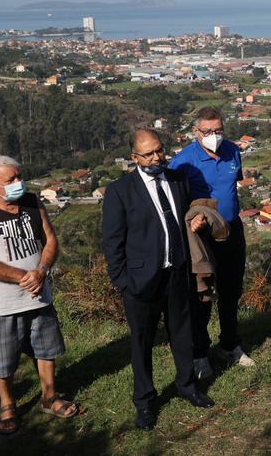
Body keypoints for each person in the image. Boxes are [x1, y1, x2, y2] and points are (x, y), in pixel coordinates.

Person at [101, 128, 215, 431]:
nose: (157, 157)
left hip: (176, 273)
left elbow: (188, 213)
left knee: (182, 333)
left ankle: (187, 385)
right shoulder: (120, 191)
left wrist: (197, 217)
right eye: (149, 153)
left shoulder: (177, 180)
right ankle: (145, 401)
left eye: (160, 150)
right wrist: (123, 281)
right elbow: (112, 242)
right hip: (140, 282)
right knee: (142, 343)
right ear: (134, 157)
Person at [0, 155, 80, 435]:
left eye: (18, 176)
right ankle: (7, 404)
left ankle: (49, 397)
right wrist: (22, 278)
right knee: (2, 359)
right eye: (10, 180)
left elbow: (50, 239)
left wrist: (41, 270)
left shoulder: (31, 203)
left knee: (46, 349)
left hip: (38, 295)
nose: (18, 183)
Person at [169, 106, 254, 380]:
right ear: (196, 132)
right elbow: (174, 203)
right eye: (208, 131)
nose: (214, 136)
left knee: (231, 291)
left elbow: (233, 184)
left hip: (232, 229)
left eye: (218, 130)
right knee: (201, 295)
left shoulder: (232, 151)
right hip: (201, 236)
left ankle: (230, 344)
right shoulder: (183, 162)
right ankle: (200, 353)